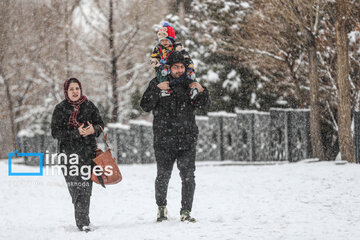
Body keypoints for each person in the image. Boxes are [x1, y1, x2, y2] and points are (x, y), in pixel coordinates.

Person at [140, 51, 210, 222]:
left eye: (182, 67)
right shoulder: (159, 82)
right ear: (168, 68)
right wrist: (156, 90)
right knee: (163, 176)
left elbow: (204, 106)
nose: (179, 70)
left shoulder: (190, 84)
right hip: (164, 140)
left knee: (188, 176)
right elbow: (145, 106)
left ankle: (186, 211)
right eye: (176, 67)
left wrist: (202, 90)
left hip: (187, 139)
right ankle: (161, 208)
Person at [51, 78, 104, 232]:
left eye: (77, 88)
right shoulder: (60, 109)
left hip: (88, 153)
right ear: (66, 91)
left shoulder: (89, 105)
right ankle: (82, 219)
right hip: (68, 156)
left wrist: (93, 129)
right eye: (71, 89)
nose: (75, 92)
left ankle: (83, 222)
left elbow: (100, 124)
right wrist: (76, 132)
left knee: (86, 188)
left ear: (80, 90)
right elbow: (55, 132)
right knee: (76, 187)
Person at [150, 22, 196, 87]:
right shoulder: (158, 48)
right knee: (161, 74)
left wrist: (190, 67)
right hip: (164, 67)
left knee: (189, 74)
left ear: (171, 39)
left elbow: (186, 57)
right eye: (162, 40)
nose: (164, 42)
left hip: (175, 67)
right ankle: (164, 87)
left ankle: (194, 86)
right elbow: (153, 59)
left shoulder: (177, 47)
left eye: (166, 40)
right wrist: (159, 66)